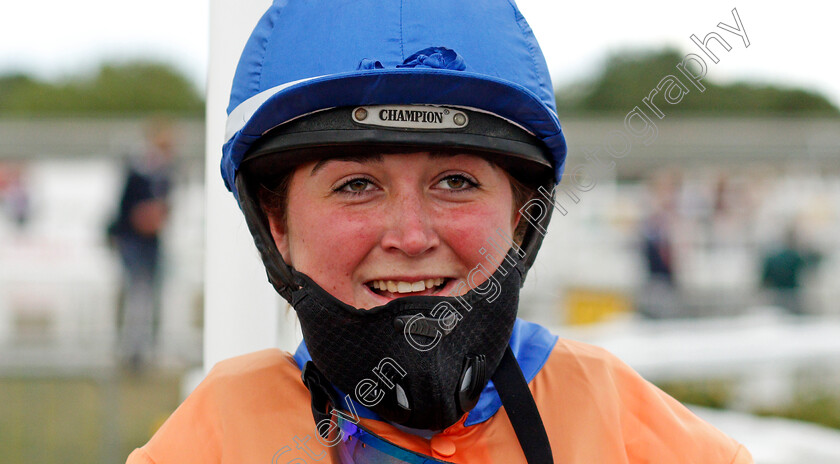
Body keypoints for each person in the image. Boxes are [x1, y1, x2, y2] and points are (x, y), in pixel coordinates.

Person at [128, 0, 752, 462]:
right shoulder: (216, 440)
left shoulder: (625, 427)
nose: (411, 235)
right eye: (356, 185)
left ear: (520, 213)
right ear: (276, 224)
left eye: (455, 181)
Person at [108, 118, 175, 370]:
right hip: (134, 242)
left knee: (150, 295)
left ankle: (146, 349)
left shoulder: (164, 173)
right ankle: (132, 351)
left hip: (151, 242)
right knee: (137, 294)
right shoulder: (139, 170)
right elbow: (126, 211)